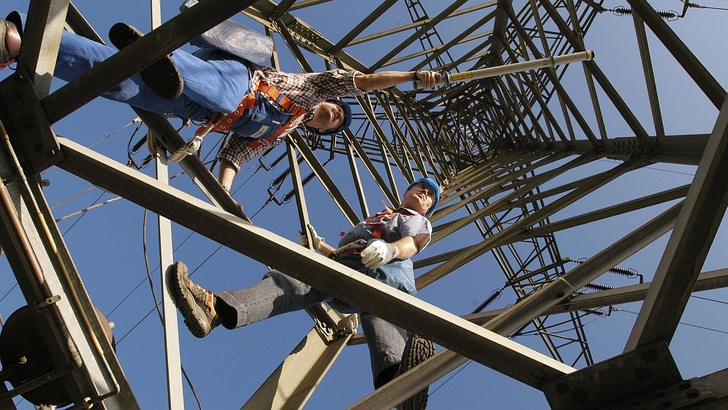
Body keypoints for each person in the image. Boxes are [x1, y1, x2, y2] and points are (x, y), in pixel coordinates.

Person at [0, 13, 442, 193]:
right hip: (237, 83)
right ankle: (161, 60)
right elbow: (364, 81)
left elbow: (235, 154)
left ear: (320, 131)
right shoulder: (318, 88)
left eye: (332, 122)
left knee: (119, 82)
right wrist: (411, 78)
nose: (332, 114)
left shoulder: (279, 134)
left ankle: (21, 45)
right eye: (337, 111)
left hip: (194, 110)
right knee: (216, 89)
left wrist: (223, 192)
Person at [168, 177, 440, 409]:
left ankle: (400, 384)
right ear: (405, 191)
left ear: (427, 209)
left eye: (429, 196)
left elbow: (413, 244)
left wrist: (391, 250)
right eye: (420, 187)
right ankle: (216, 309)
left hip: (385, 276)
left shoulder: (416, 221)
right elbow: (345, 251)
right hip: (344, 268)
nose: (424, 193)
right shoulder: (382, 216)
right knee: (296, 281)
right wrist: (319, 246)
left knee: (381, 315)